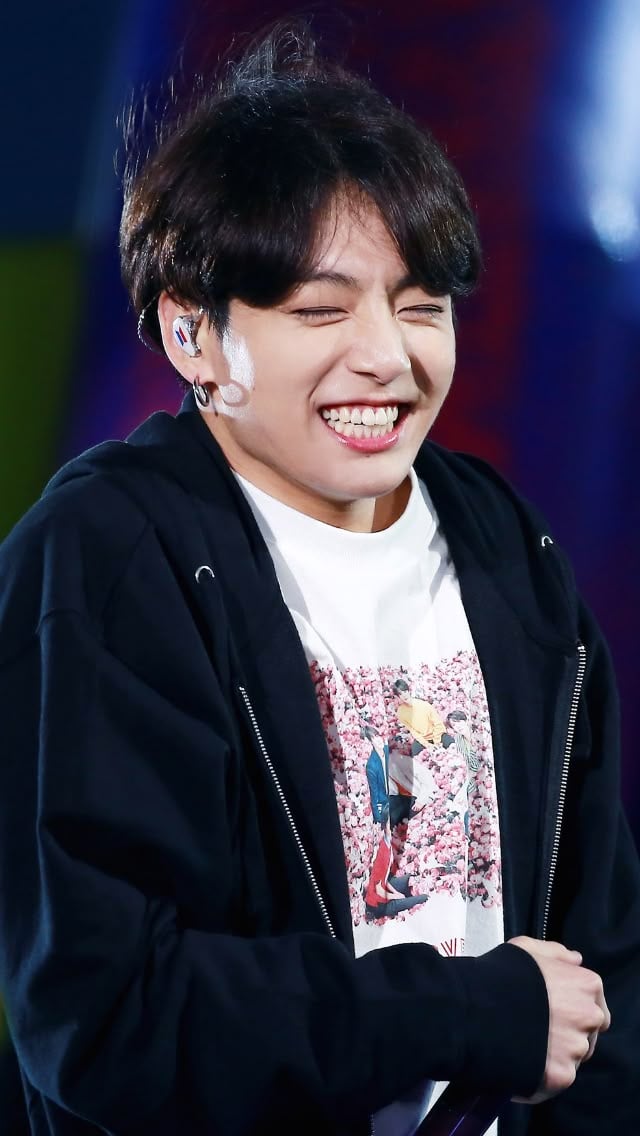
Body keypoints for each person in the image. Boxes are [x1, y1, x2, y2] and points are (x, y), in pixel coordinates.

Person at [0, 22, 638, 1136]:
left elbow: (603, 969)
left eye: (420, 303)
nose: (386, 356)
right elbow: (111, 1016)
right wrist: (464, 1012)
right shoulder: (107, 559)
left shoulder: (505, 545)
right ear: (193, 334)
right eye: (320, 309)